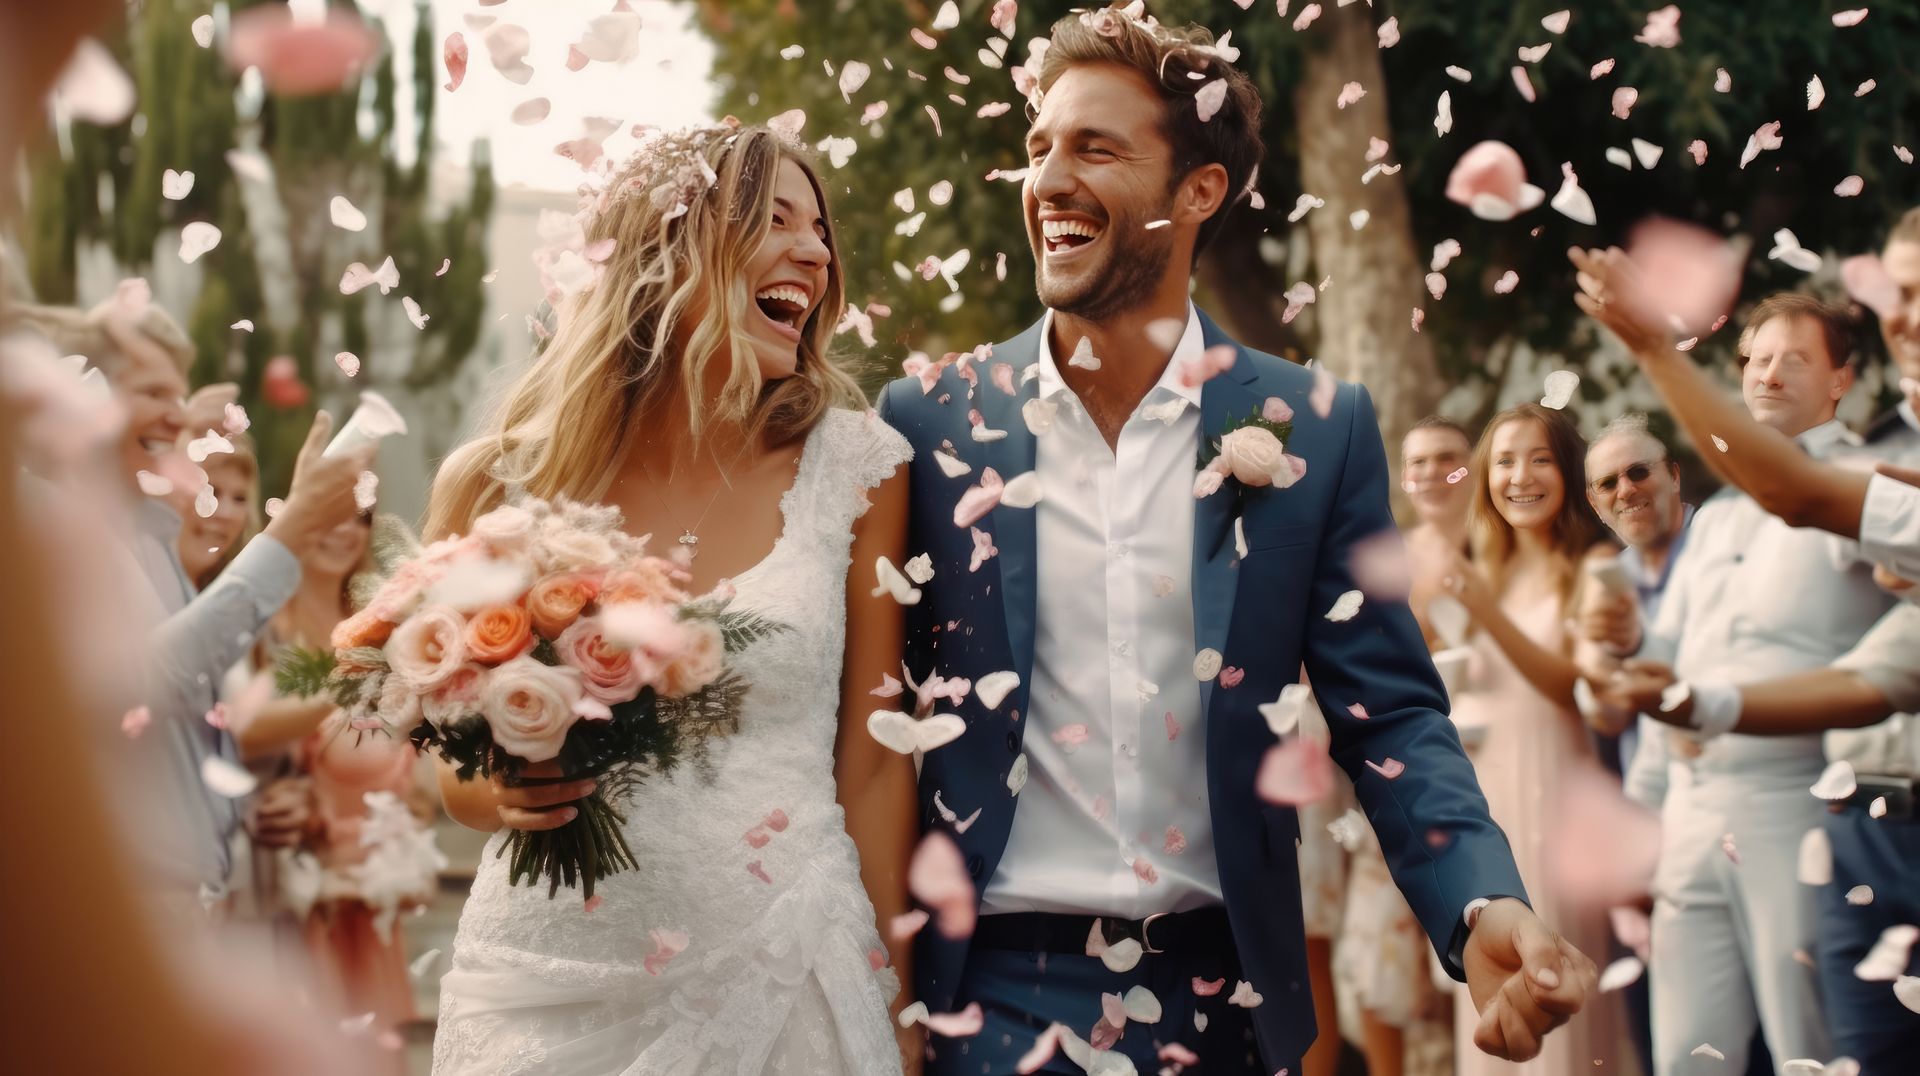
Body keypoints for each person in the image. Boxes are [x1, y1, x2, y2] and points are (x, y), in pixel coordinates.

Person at [879, 9, 1595, 1074]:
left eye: (1095, 148)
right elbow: (860, 716)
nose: (1048, 181)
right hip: (984, 1000)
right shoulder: (929, 423)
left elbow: (1391, 710)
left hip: (1227, 1003)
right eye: (1039, 147)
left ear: (1199, 190)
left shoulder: (1317, 426)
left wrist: (1479, 899)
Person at [423, 124, 921, 1075]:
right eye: (775, 221)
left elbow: (875, 766)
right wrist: (503, 787)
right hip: (541, 994)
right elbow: (454, 773)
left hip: (787, 986)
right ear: (665, 250)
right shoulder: (500, 483)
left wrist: (895, 1002)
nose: (816, 253)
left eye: (820, 230)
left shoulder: (857, 469)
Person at [1575, 247, 1920, 1071]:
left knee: (1813, 1046)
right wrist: (1625, 643)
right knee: (1687, 1054)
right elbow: (1675, 660)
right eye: (1755, 360)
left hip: (1796, 801)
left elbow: (1888, 657)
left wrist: (1655, 348)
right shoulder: (1719, 518)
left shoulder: (1862, 487)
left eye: (1792, 359)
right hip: (1695, 806)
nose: (1766, 374)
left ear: (1841, 380)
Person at [2, 296, 374, 914]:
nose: (177, 417)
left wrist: (252, 807)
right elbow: (145, 684)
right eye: (154, 392)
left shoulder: (148, 534)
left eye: (181, 397)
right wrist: (295, 525)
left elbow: (179, 736)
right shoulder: (39, 520)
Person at [1435, 403, 1631, 1075]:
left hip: (1557, 791)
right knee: (1492, 972)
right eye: (1505, 462)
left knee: (1552, 968)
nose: (1520, 477)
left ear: (1568, 471)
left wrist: (1485, 611)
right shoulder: (1484, 568)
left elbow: (1573, 688)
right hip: (1482, 798)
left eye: (1540, 459)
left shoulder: (1593, 564)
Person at [223, 502, 429, 1068]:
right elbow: (230, 732)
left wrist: (414, 800)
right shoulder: (264, 626)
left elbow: (413, 748)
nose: (345, 531)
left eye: (359, 516)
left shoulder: (384, 625)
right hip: (288, 891)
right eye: (330, 512)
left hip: (372, 891)